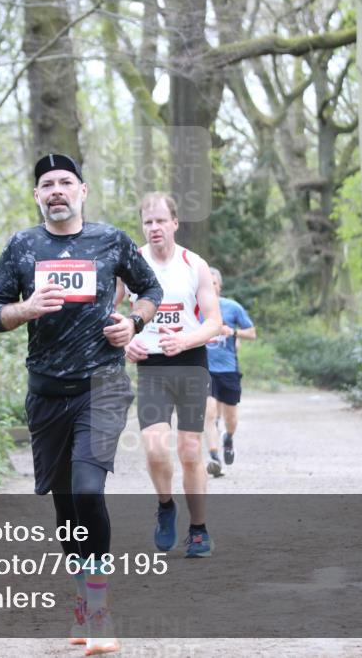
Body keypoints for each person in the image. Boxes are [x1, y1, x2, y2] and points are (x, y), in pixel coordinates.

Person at [0, 153, 161, 655]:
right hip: (46, 393)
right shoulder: (22, 246)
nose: (56, 190)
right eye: (47, 184)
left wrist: (136, 323)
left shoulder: (111, 240)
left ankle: (100, 609)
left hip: (102, 384)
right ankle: (84, 600)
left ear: (82, 191)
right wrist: (25, 309)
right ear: (38, 196)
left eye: (65, 182)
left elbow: (150, 288)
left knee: (87, 488)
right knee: (66, 506)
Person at [118, 192, 222, 558]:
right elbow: (107, 313)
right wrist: (123, 342)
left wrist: (186, 339)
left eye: (161, 220)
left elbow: (214, 322)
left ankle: (198, 529)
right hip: (151, 365)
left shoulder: (194, 265)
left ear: (175, 223)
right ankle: (165, 506)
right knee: (155, 448)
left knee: (191, 450)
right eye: (148, 222)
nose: (154, 227)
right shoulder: (131, 265)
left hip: (191, 362)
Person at [203, 267, 257, 477]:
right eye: (206, 283)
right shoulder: (195, 309)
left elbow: (252, 333)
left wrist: (233, 332)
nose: (210, 286)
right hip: (204, 369)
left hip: (228, 370)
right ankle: (214, 458)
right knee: (209, 413)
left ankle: (228, 438)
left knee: (231, 419)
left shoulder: (232, 307)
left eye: (213, 283)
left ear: (219, 286)